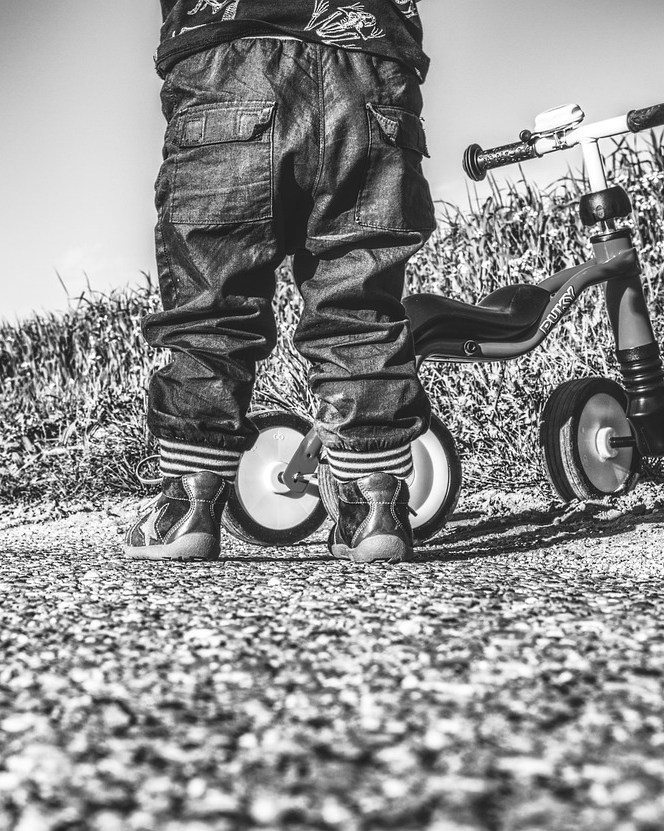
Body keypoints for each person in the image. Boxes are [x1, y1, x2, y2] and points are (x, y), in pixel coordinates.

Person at [124, 0, 435, 564]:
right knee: (359, 305)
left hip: (228, 61)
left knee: (212, 303)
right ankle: (374, 509)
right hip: (371, 65)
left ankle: (189, 507)